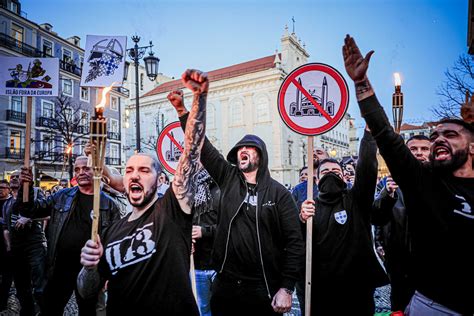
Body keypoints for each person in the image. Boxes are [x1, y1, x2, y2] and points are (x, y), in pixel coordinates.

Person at [343, 34, 474, 315]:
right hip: (437, 306)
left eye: (450, 134)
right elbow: (387, 138)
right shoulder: (425, 183)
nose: (439, 139)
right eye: (435, 134)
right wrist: (361, 84)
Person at [77, 69, 208, 315]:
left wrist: (199, 99)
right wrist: (89, 267)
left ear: (160, 181)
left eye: (144, 170)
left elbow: (191, 151)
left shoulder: (171, 211)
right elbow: (87, 291)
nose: (135, 175)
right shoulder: (111, 230)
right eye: (129, 170)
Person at [169, 88, 304, 315]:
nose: (242, 150)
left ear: (260, 154)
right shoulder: (228, 178)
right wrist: (182, 111)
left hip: (264, 286)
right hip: (226, 284)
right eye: (240, 148)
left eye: (248, 148)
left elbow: (295, 243)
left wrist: (287, 288)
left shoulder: (279, 193)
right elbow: (201, 144)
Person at [15, 156, 121, 316]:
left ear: (97, 170)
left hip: (90, 271)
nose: (81, 173)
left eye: (86, 168)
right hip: (60, 267)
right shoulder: (62, 196)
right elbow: (29, 210)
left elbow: (114, 243)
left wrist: (106, 274)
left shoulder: (109, 204)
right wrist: (27, 185)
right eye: (77, 169)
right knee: (50, 309)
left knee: (88, 311)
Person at [299, 129, 388, 315]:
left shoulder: (356, 199)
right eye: (325, 171)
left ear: (343, 176)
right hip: (321, 288)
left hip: (356, 287)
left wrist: (369, 137)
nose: (330, 174)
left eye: (335, 171)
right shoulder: (309, 206)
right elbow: (298, 243)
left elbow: (366, 170)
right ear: (316, 180)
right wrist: (301, 220)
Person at [372, 134, 431, 312]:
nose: (419, 153)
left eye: (424, 149)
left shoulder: (441, 182)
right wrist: (387, 193)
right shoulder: (392, 184)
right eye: (413, 149)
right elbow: (377, 218)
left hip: (432, 263)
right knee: (400, 306)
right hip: (399, 262)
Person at [2, 171, 47, 316]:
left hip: (34, 243)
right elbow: (6, 227)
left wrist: (29, 217)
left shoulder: (36, 192)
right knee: (21, 285)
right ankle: (27, 311)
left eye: (17, 176)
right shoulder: (7, 203)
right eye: (13, 177)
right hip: (16, 247)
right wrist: (9, 246)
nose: (15, 179)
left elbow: (47, 213)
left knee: (39, 282)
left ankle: (43, 309)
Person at [290, 147, 328, 314]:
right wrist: (301, 216)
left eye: (319, 152)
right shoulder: (299, 189)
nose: (314, 154)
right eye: (312, 152)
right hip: (306, 257)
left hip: (332, 258)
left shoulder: (344, 187)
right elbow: (290, 223)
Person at [190, 168, 220, 316]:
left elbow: (231, 226)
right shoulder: (187, 192)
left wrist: (204, 231)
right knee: (202, 308)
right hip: (197, 264)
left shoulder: (221, 189)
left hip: (219, 265)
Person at [0, 179, 12, 312]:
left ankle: (3, 301)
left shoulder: (11, 203)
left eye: (3, 187)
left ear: (8, 189)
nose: (1, 189)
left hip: (8, 245)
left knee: (7, 275)